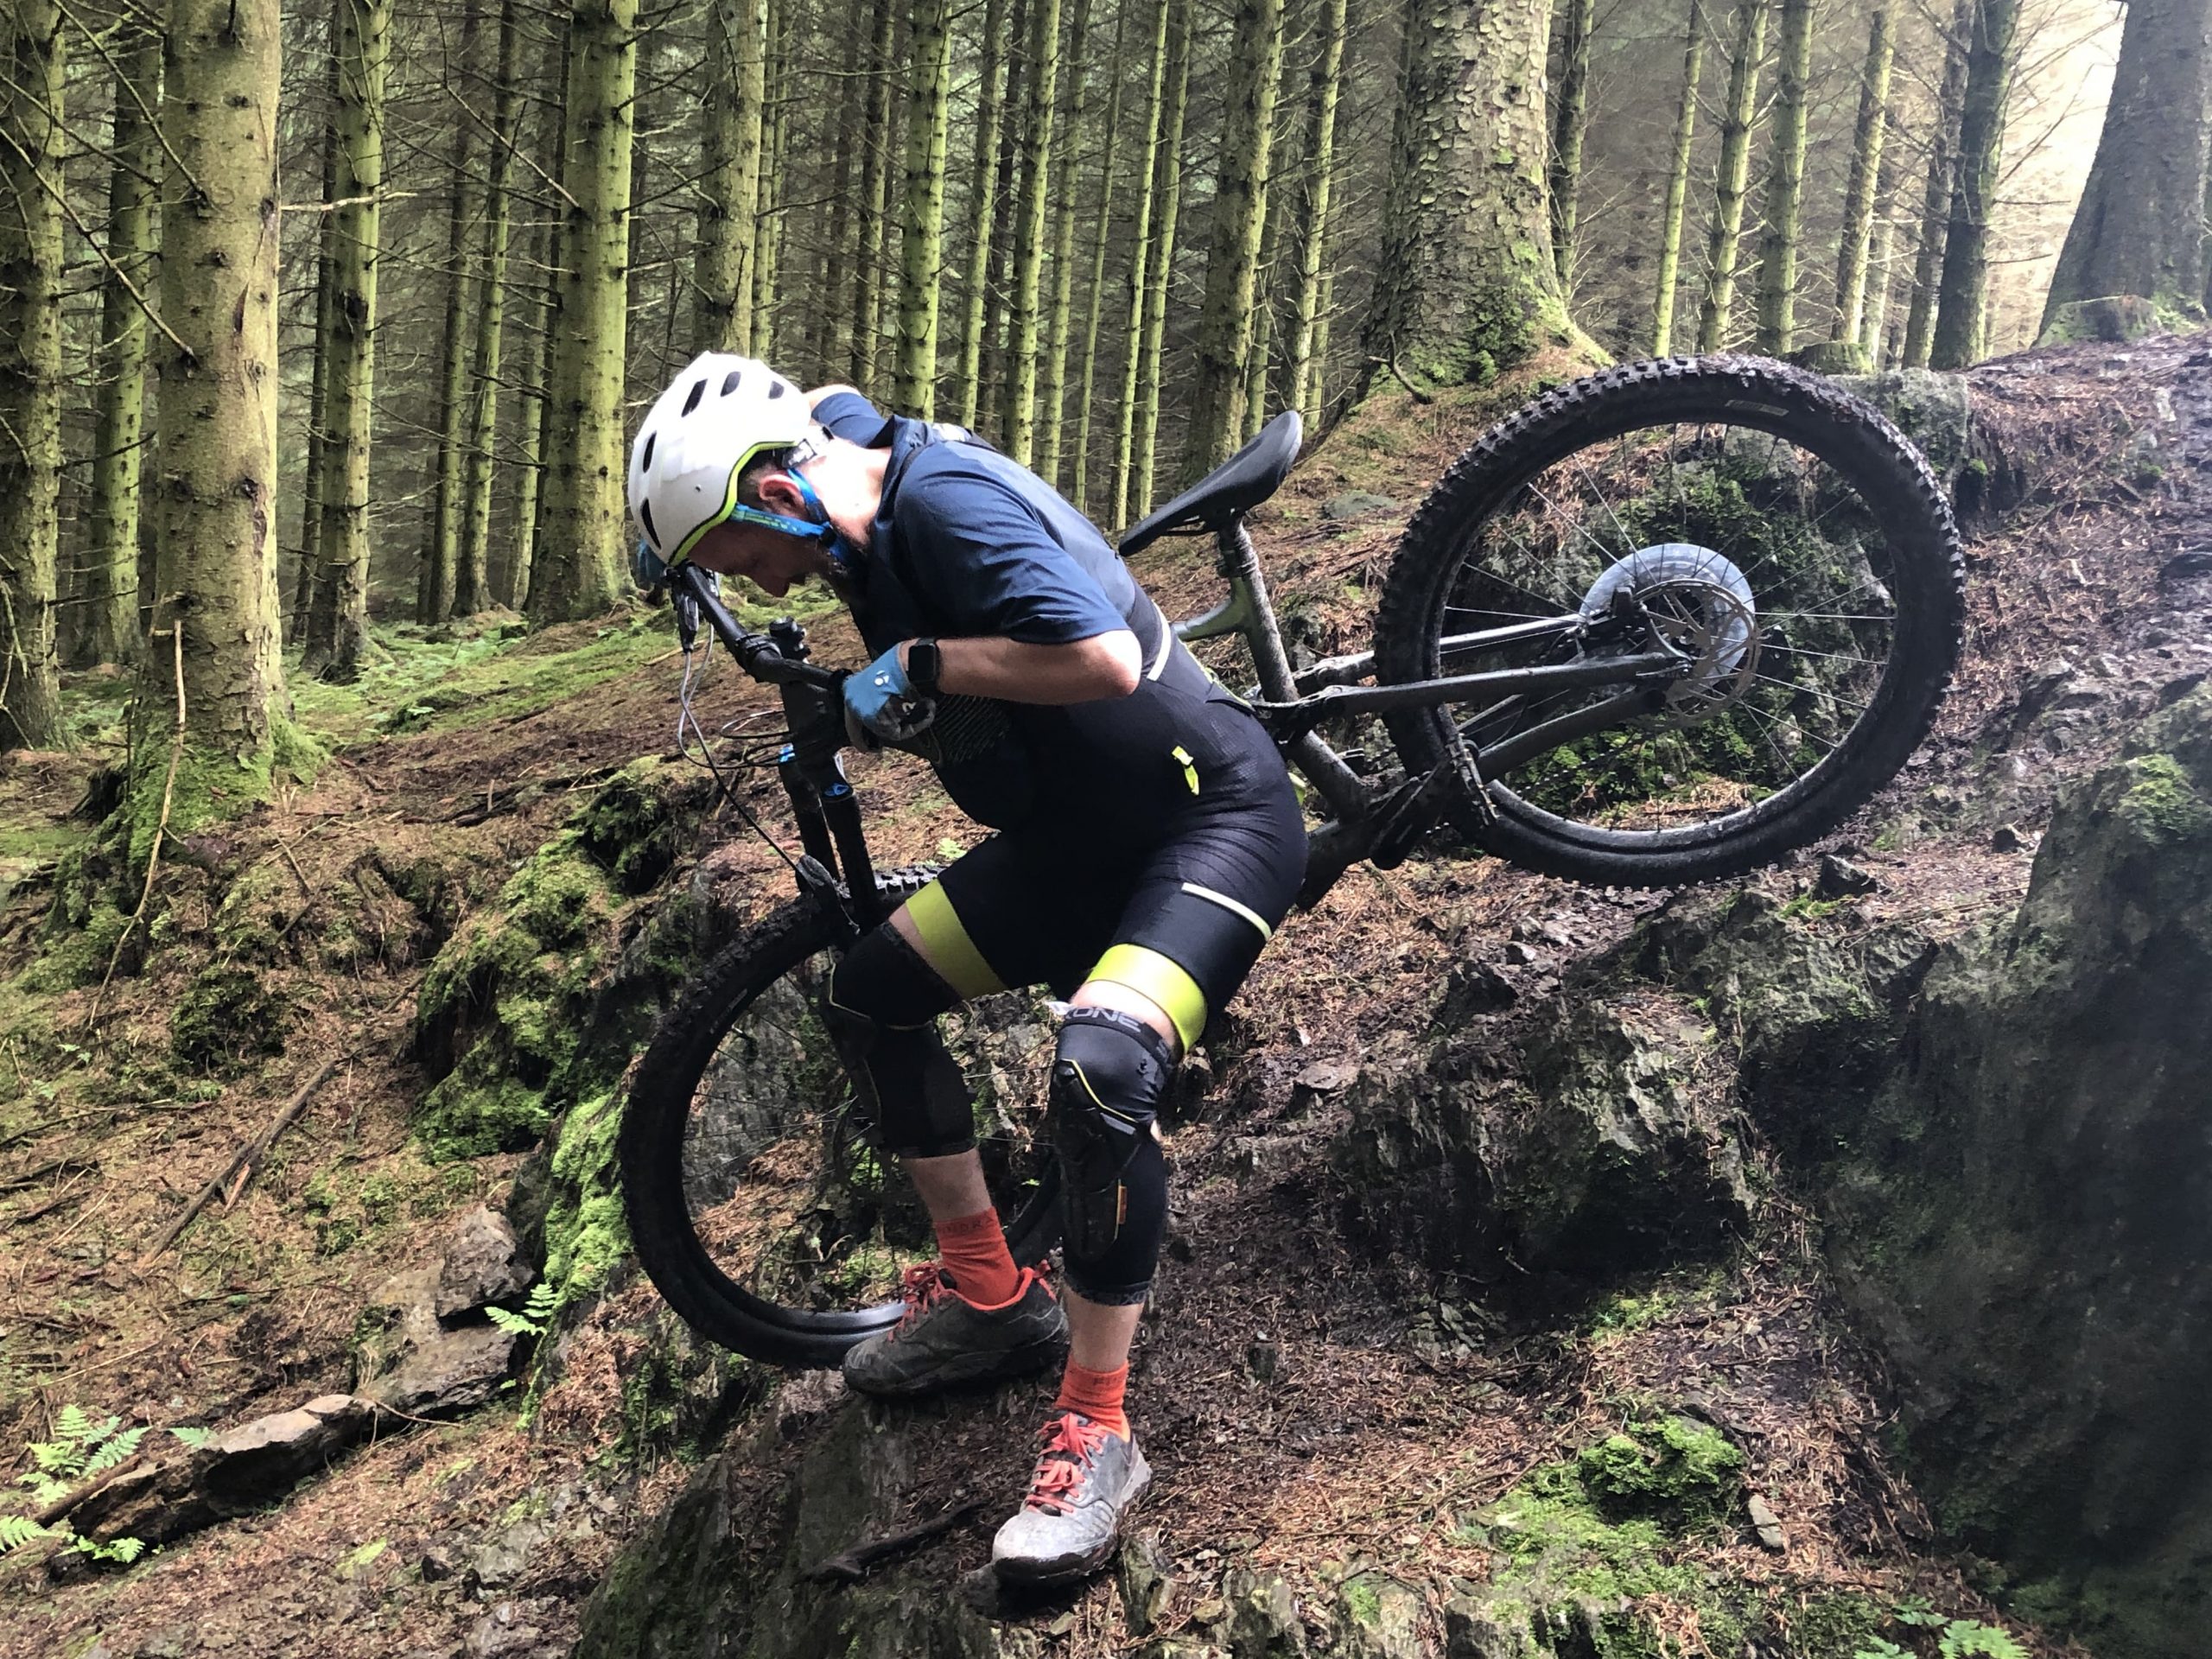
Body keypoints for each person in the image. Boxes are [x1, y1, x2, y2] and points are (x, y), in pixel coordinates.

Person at [626, 353, 1306, 1586]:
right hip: (1072, 848)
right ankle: (993, 1300)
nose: (762, 582)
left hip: (1211, 820)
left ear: (775, 492)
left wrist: (925, 665)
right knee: (872, 994)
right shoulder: (841, 484)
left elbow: (1104, 660)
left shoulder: (943, 507)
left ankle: (1097, 1429)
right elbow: (824, 410)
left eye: (741, 554)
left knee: (1099, 1074)